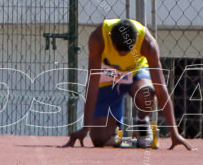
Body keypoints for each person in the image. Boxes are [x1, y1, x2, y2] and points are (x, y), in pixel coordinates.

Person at [63, 18, 193, 150]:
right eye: (118, 50)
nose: (122, 55)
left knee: (147, 94)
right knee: (99, 139)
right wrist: (85, 128)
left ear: (137, 38)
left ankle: (142, 122)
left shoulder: (147, 43)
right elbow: (92, 84)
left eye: (128, 50)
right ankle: (114, 132)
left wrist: (174, 133)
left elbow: (161, 89)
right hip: (109, 76)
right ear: (110, 38)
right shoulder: (98, 38)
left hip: (136, 73)